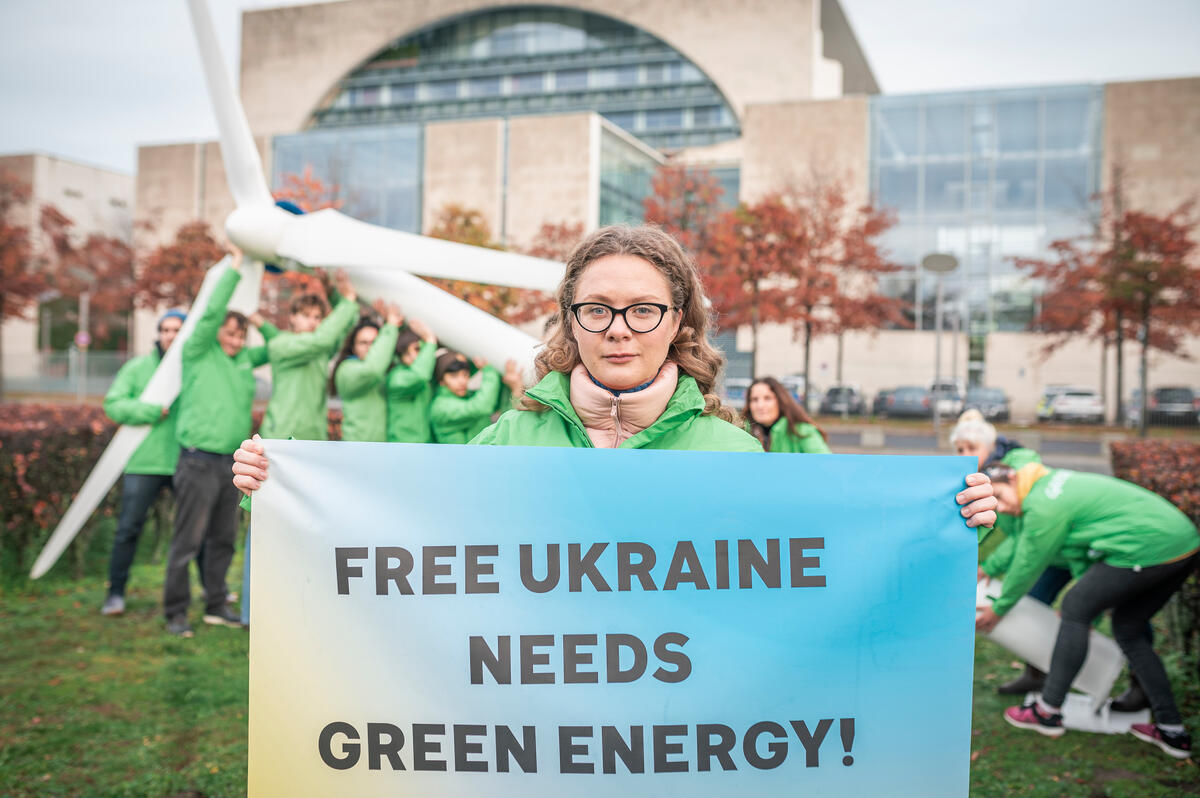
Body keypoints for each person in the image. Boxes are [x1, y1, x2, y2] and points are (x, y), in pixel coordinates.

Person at [232, 226, 996, 526]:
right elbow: (412, 526)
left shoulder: (733, 456)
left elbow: (825, 556)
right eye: (596, 309)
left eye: (643, 310)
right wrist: (288, 487)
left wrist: (941, 517)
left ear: (679, 322)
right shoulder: (510, 435)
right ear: (568, 319)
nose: (619, 330)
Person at [975, 463, 1199, 759]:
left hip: (1151, 545)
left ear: (1014, 479)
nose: (1001, 509)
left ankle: (1048, 711)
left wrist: (999, 609)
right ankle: (1172, 730)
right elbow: (1080, 555)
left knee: (1074, 607)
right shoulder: (1049, 485)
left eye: (1000, 497)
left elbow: (1028, 563)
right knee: (1127, 628)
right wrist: (1088, 613)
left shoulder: (1042, 506)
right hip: (1182, 540)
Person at [165, 251, 271, 637]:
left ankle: (215, 605)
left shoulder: (244, 361)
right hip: (197, 460)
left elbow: (279, 347)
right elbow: (209, 315)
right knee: (187, 540)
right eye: (230, 333)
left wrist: (264, 323)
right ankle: (176, 612)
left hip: (232, 464)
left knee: (223, 538)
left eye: (241, 335)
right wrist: (235, 269)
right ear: (216, 334)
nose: (236, 339)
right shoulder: (197, 352)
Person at [952, 409, 1057, 695]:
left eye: (971, 448)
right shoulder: (985, 473)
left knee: (1066, 611)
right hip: (1049, 546)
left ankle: (1055, 680)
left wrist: (998, 608)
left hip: (1055, 545)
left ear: (991, 446)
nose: (964, 455)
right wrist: (990, 566)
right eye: (959, 449)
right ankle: (1038, 674)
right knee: (1036, 604)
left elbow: (1027, 540)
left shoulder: (1012, 471)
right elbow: (1015, 534)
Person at [99, 310, 185, 616]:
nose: (170, 335)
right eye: (165, 329)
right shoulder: (137, 368)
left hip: (183, 462)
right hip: (143, 463)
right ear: (158, 333)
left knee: (195, 531)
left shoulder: (194, 368)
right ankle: (115, 594)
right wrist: (150, 411)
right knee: (128, 530)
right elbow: (113, 404)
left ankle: (214, 593)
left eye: (177, 330)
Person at [258, 271, 360, 441]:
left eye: (318, 317)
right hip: (281, 434)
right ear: (292, 317)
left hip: (314, 435)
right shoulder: (280, 345)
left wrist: (333, 294)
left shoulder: (322, 349)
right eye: (306, 316)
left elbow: (346, 325)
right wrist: (348, 302)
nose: (313, 322)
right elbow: (322, 339)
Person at [331, 307, 402, 443]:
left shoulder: (384, 367)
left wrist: (396, 324)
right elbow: (372, 370)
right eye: (363, 343)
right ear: (353, 347)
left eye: (375, 343)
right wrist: (390, 327)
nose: (370, 348)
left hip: (384, 448)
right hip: (358, 447)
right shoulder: (347, 369)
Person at [428, 352, 521, 444]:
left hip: (478, 455)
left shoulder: (467, 396)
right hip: (461, 458)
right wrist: (489, 371)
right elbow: (482, 406)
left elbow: (499, 405)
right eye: (454, 376)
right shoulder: (440, 407)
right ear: (441, 381)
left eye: (465, 375)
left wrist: (514, 386)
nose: (462, 381)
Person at [744, 376, 830, 453]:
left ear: (780, 401)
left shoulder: (803, 431)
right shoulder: (743, 432)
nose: (760, 405)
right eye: (754, 399)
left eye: (767, 398)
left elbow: (825, 464)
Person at [385, 319, 438, 443]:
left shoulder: (426, 369)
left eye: (417, 349)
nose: (413, 357)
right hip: (402, 444)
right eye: (406, 353)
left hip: (424, 444)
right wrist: (430, 341)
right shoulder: (397, 378)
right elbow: (419, 376)